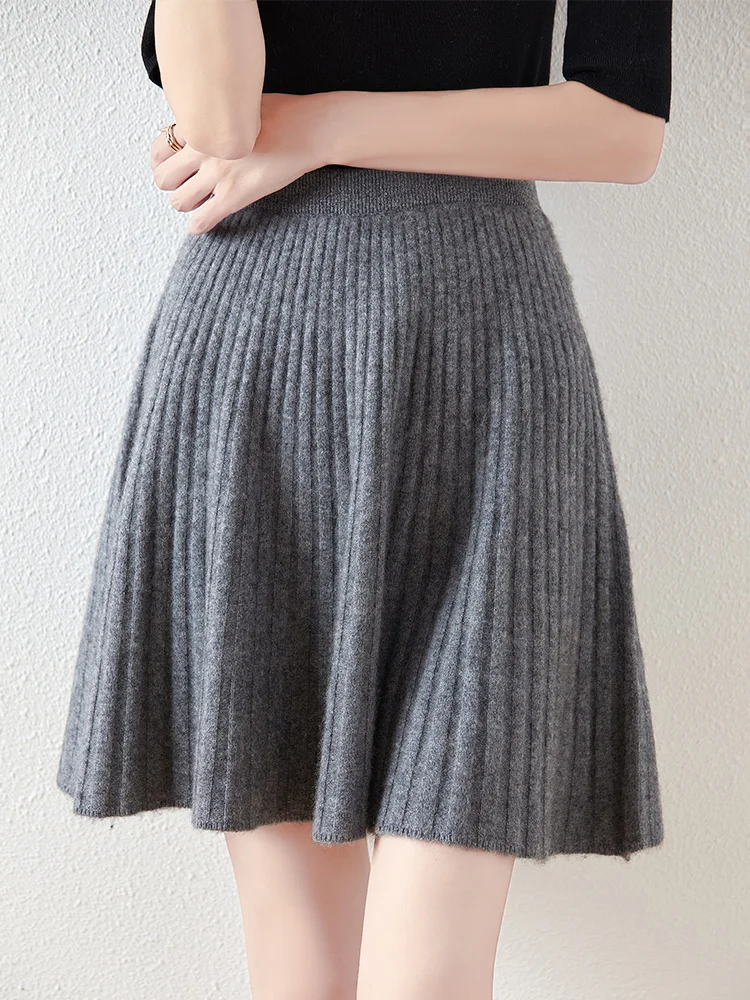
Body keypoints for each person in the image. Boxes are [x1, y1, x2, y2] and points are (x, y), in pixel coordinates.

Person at [57, 2, 673, 997]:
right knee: (298, 963)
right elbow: (220, 124)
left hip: (486, 370)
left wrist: (319, 125)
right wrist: (280, 132)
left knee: (429, 971)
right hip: (260, 365)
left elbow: (624, 128)